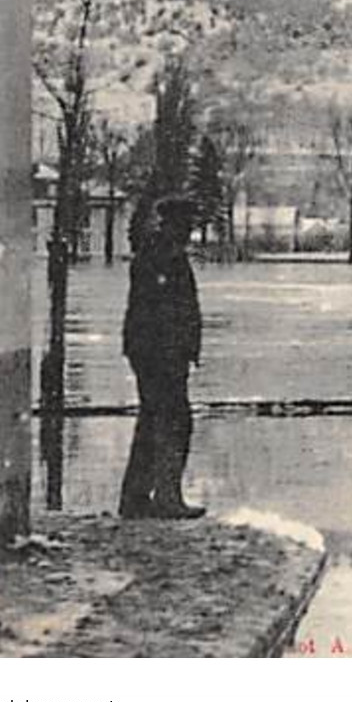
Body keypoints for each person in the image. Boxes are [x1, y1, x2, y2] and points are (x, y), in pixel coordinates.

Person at [119, 194, 206, 519]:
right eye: (185, 225)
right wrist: (176, 351)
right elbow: (161, 312)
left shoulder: (162, 254)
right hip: (160, 355)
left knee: (153, 420)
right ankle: (166, 498)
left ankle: (137, 498)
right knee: (173, 422)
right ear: (172, 224)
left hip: (160, 353)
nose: (188, 231)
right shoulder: (160, 257)